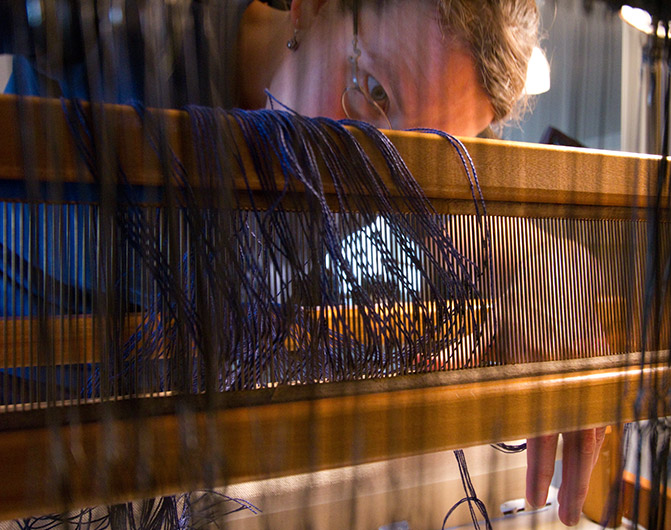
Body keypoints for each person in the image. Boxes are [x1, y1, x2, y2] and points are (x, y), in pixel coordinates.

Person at [0, 0, 605, 525]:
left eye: (411, 160)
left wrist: (539, 261)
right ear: (311, 8)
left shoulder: (382, 165)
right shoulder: (132, 28)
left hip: (167, 475)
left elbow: (473, 214)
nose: (364, 184)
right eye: (373, 91)